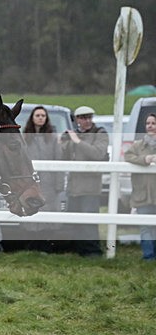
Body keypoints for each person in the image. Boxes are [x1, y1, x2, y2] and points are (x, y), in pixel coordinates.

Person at [61, 105, 109, 257]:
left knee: (89, 221)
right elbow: (64, 156)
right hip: (74, 186)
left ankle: (93, 252)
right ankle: (78, 250)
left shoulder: (100, 133)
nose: (87, 121)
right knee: (75, 221)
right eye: (83, 118)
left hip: (90, 186)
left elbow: (97, 154)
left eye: (89, 117)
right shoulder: (72, 135)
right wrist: (64, 143)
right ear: (77, 120)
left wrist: (77, 142)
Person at [21, 106, 63, 252]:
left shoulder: (52, 137)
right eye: (37, 115)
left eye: (43, 116)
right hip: (29, 183)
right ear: (32, 118)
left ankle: (47, 248)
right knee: (31, 212)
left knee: (48, 215)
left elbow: (59, 159)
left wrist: (59, 185)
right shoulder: (25, 137)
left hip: (49, 184)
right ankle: (32, 249)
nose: (40, 118)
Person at [124, 113, 156, 260]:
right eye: (148, 123)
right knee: (145, 226)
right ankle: (148, 256)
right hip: (142, 193)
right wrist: (144, 159)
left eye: (153, 123)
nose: (150, 126)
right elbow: (127, 156)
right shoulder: (137, 145)